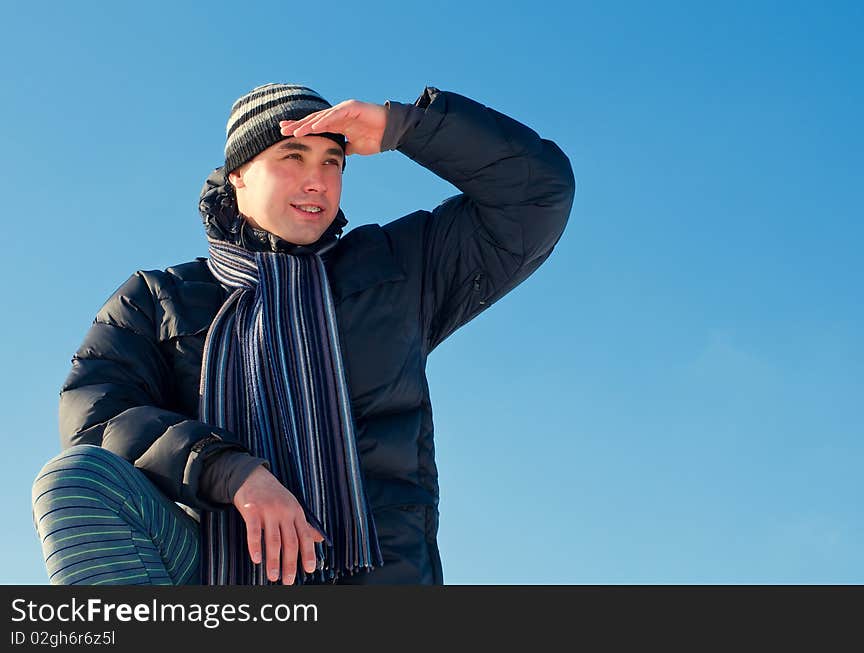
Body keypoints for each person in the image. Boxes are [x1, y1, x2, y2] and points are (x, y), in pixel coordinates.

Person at [32, 83, 575, 585]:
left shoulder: (397, 270)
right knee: (76, 480)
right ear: (238, 175)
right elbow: (98, 422)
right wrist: (229, 470)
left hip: (377, 578)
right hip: (218, 570)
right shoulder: (157, 299)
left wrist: (404, 127)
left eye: (332, 162)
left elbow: (537, 196)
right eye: (293, 157)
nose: (317, 180)